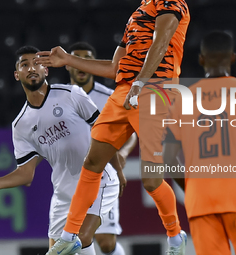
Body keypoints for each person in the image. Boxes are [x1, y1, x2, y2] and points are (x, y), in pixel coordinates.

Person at [36, 1, 190, 254]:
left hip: (155, 90)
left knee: (151, 181)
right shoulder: (137, 14)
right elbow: (115, 68)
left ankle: (175, 236)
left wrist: (141, 82)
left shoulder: (171, 2)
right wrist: (67, 59)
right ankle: (68, 235)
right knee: (92, 163)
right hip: (123, 93)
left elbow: (161, 42)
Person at [0, 46, 125, 255]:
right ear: (16, 74)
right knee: (73, 248)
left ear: (45, 70)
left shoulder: (71, 94)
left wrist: (118, 170)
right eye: (25, 64)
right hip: (63, 195)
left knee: (81, 238)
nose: (32, 68)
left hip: (98, 180)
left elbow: (105, 133)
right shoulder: (20, 125)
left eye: (37, 62)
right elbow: (25, 174)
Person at [163, 31, 236, 255]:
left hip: (201, 201)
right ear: (232, 57)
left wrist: (190, 187)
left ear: (201, 59)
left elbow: (168, 157)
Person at [67, 41, 138, 255]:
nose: (82, 65)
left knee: (106, 242)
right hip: (70, 177)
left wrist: (123, 152)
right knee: (76, 239)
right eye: (78, 59)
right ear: (69, 65)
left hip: (103, 174)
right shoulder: (60, 98)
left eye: (88, 60)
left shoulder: (111, 97)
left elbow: (132, 130)